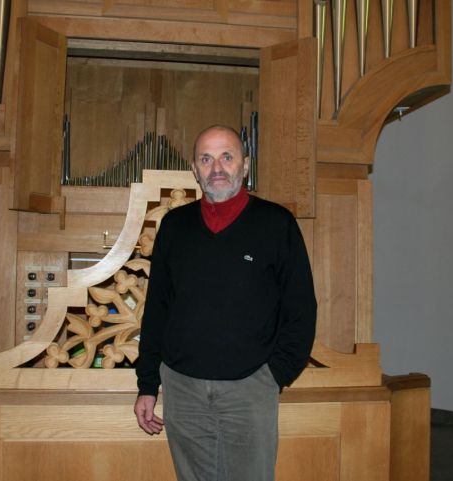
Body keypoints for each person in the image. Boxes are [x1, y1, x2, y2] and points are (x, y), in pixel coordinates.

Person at [133, 125, 317, 481]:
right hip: (182, 389)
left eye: (226, 156)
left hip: (250, 388)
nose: (216, 167)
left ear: (245, 166)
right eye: (206, 158)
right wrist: (147, 385)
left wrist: (272, 376)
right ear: (195, 170)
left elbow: (301, 310)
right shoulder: (174, 226)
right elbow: (156, 309)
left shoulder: (277, 224)